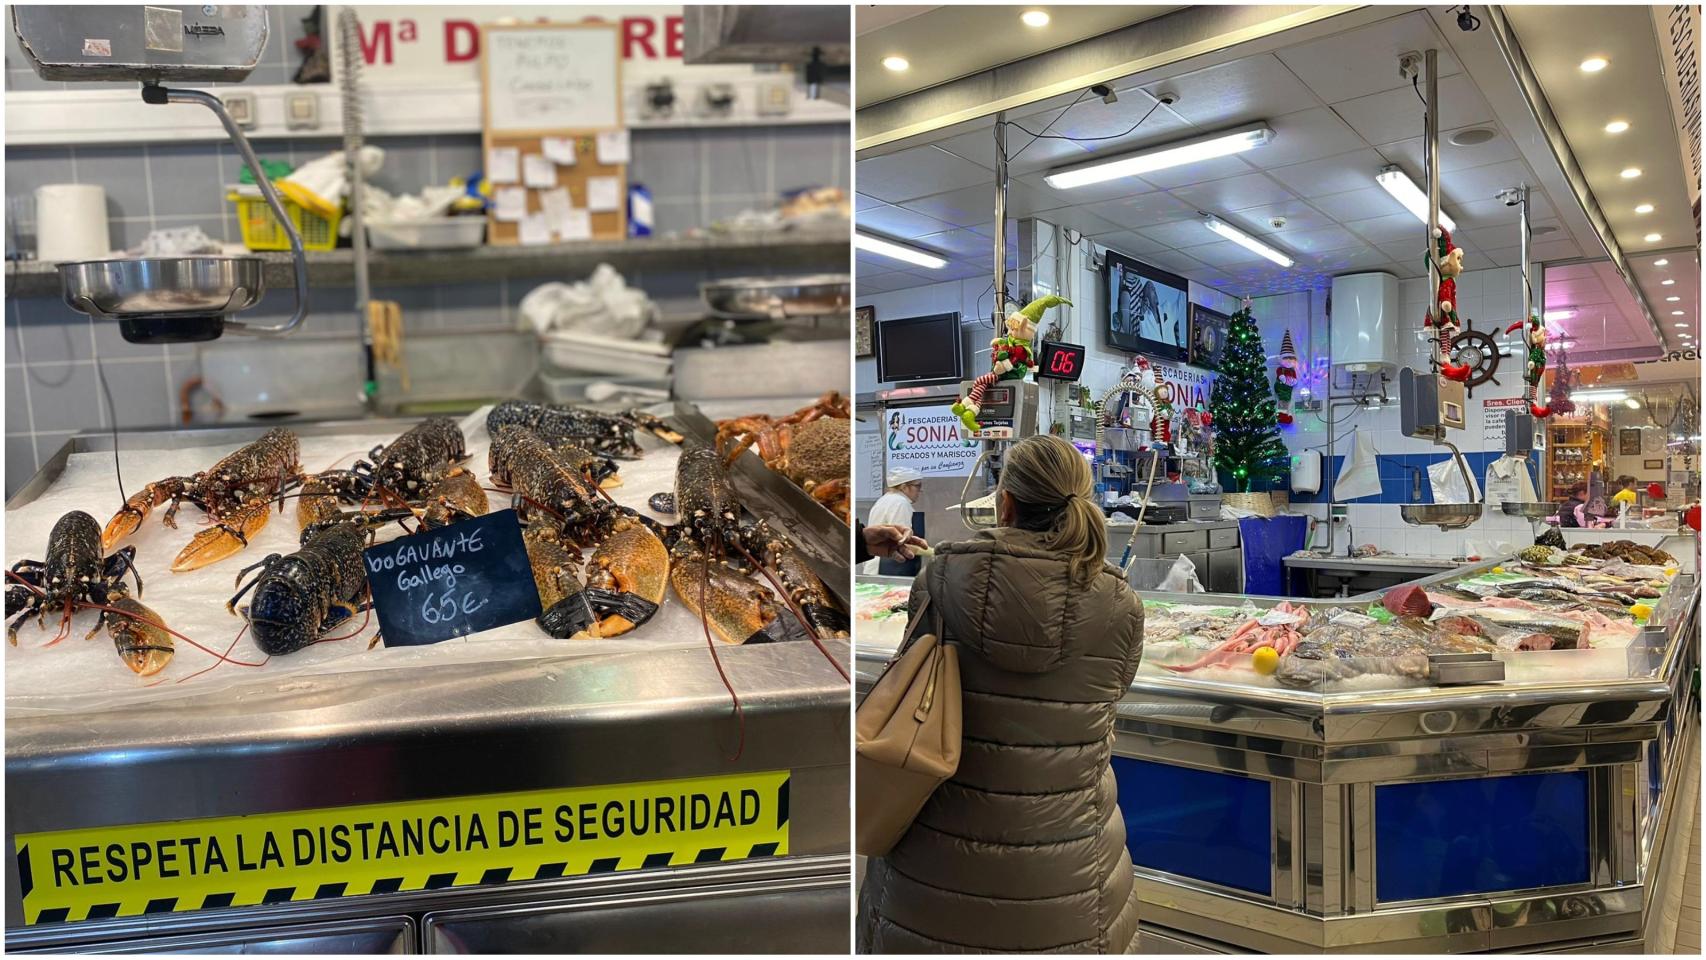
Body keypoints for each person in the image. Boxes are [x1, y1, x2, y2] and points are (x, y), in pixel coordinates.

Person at [856, 434, 1145, 954]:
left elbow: (910, 673)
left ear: (1004, 503)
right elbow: (1113, 691)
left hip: (932, 863)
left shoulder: (941, 576)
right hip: (1072, 875)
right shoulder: (1121, 602)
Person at [864, 467, 925, 575]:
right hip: (888, 567)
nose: (920, 490)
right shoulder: (900, 503)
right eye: (918, 486)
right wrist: (933, 552)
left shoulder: (884, 500)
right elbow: (901, 542)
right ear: (904, 487)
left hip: (878, 564)